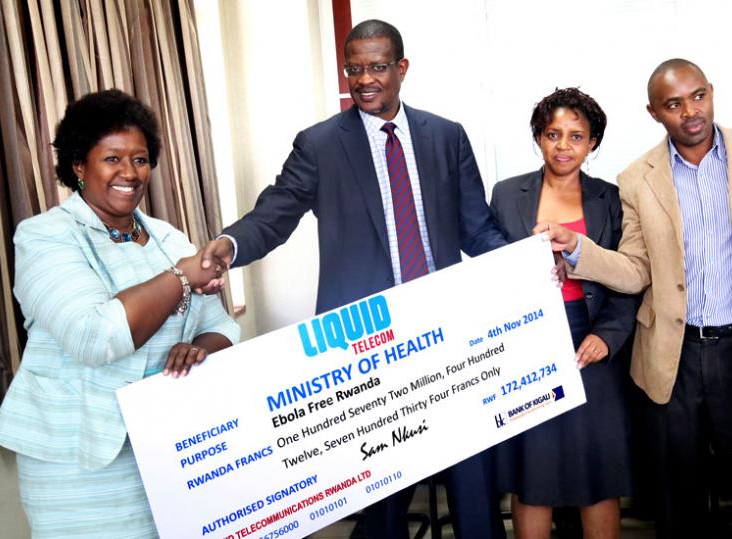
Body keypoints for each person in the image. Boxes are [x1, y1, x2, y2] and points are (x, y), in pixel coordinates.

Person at [199, 18, 507, 539]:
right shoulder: (320, 145)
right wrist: (229, 246)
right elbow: (274, 213)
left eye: (378, 67)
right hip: (367, 343)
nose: (365, 79)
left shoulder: (446, 137)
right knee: (383, 486)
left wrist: (527, 268)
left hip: (446, 332)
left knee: (470, 475)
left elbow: (478, 230)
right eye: (355, 69)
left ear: (402, 68)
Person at [537, 59, 732, 537]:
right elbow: (635, 269)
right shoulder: (637, 179)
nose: (691, 111)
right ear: (654, 112)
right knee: (678, 498)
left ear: (711, 91)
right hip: (672, 357)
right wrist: (578, 248)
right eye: (674, 104)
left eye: (698, 96)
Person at [0, 89, 240, 537]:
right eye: (112, 159)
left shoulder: (166, 237)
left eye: (140, 160)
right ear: (78, 166)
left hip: (166, 450)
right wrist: (182, 276)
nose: (130, 172)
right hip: (78, 459)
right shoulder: (46, 236)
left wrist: (196, 348)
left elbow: (222, 326)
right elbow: (94, 337)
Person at [491, 88, 637, 539]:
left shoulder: (610, 198)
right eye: (553, 134)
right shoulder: (506, 194)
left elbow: (629, 277)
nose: (563, 145)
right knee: (533, 476)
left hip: (591, 340)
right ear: (538, 137)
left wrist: (609, 337)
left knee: (598, 476)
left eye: (577, 135)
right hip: (527, 343)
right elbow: (490, 273)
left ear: (593, 142)